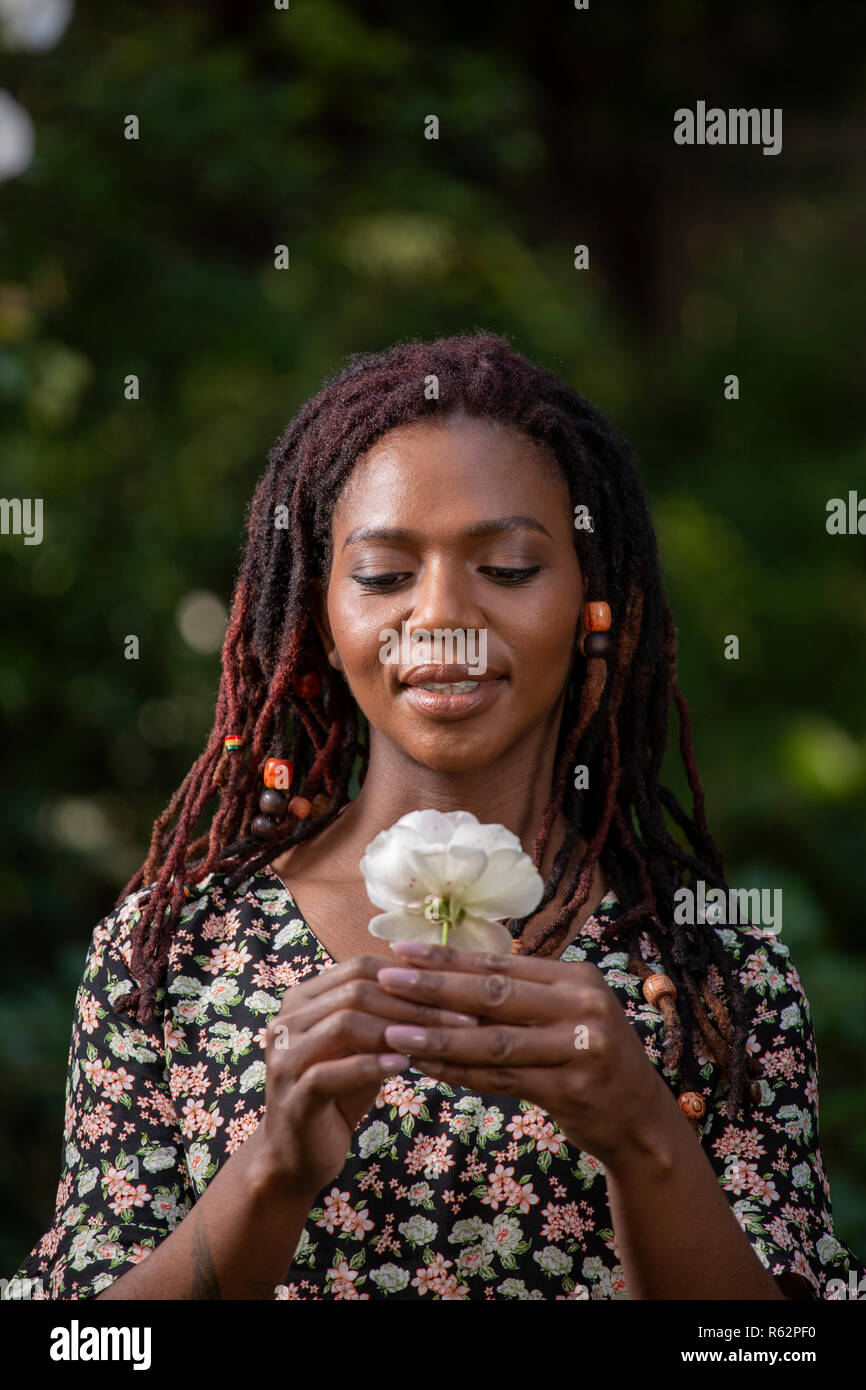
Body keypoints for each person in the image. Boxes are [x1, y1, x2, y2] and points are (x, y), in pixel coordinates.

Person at [4, 332, 862, 1301]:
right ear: (319, 619)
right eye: (381, 575)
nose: (443, 615)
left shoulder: (715, 973)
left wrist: (645, 1141)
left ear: (594, 604)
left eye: (506, 567)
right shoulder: (173, 955)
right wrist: (271, 1172)